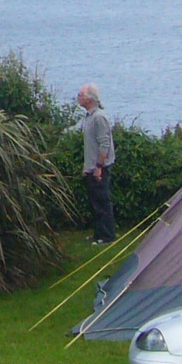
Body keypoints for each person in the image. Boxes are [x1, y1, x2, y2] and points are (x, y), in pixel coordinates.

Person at [77, 84, 116, 244]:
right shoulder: (89, 117)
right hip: (92, 167)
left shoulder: (99, 118)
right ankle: (98, 233)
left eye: (81, 94)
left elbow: (104, 144)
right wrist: (87, 166)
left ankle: (107, 236)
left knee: (102, 201)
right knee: (95, 202)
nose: (78, 97)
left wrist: (99, 167)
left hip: (100, 168)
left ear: (89, 99)